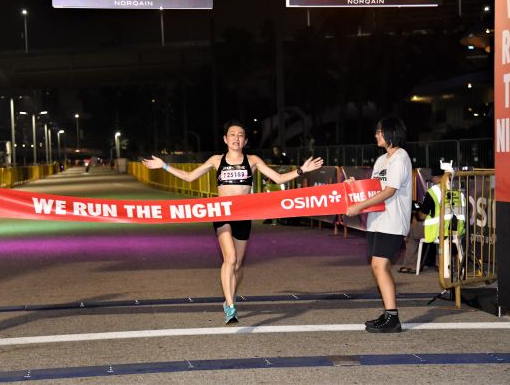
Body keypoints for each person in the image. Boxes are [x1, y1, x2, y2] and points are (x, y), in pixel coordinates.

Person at [142, 120, 323, 324]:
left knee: (237, 265)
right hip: (222, 213)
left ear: (245, 141)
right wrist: (164, 165)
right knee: (230, 258)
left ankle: (230, 295)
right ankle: (230, 306)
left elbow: (278, 179)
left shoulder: (252, 160)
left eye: (240, 135)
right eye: (232, 134)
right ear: (225, 139)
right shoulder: (216, 160)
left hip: (243, 215)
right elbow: (189, 177)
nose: (236, 138)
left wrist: (302, 170)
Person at [345, 118, 412, 333]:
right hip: (377, 221)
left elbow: (389, 191)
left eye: (380, 132)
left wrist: (359, 206)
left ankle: (392, 317)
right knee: (377, 266)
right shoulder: (382, 159)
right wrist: (354, 186)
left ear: (392, 132)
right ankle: (388, 314)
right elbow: (375, 188)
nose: (376, 135)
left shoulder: (400, 158)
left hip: (392, 221)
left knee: (380, 266)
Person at [398, 165, 445, 274]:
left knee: (411, 232)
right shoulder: (456, 189)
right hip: (454, 230)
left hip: (436, 229)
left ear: (438, 177)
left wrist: (415, 216)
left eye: (432, 178)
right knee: (443, 237)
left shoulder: (434, 191)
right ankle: (442, 264)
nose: (432, 181)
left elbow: (422, 215)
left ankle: (411, 265)